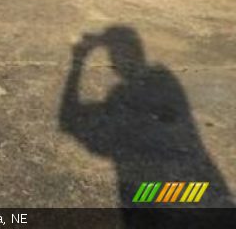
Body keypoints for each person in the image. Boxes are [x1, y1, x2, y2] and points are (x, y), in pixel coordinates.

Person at [59, 26, 232, 214]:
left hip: (159, 197)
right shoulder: (163, 80)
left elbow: (68, 119)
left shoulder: (127, 94)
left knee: (139, 197)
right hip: (196, 192)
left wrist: (78, 60)